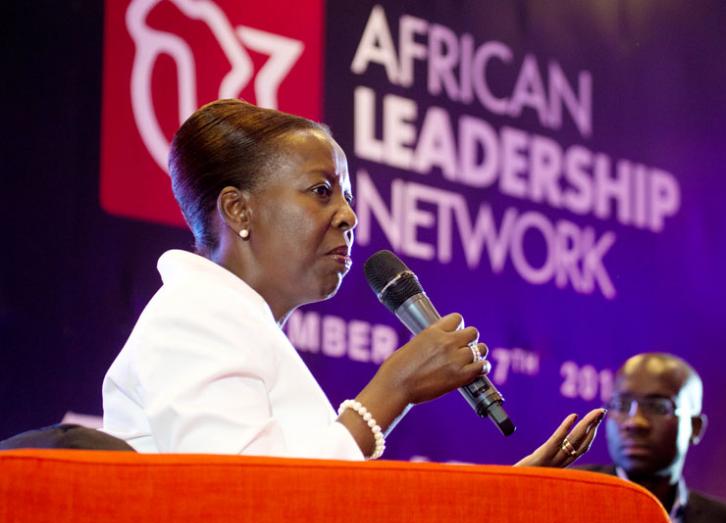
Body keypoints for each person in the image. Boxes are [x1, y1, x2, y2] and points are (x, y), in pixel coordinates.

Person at [102, 98, 605, 464]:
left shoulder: (236, 324)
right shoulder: (191, 319)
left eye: (345, 195)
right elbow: (251, 506)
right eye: (321, 191)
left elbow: (327, 509)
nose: (349, 215)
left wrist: (510, 496)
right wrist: (395, 388)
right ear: (238, 209)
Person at [580, 353, 726, 523]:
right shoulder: (570, 495)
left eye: (658, 407)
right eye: (621, 404)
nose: (635, 422)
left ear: (695, 427)